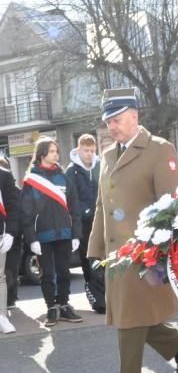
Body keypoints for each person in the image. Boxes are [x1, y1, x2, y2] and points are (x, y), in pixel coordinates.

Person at [88, 88, 178, 373]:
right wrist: (95, 248)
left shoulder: (159, 150)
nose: (113, 127)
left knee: (128, 319)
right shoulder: (108, 156)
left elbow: (171, 207)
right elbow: (101, 206)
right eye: (108, 121)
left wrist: (161, 251)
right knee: (132, 316)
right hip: (116, 253)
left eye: (118, 120)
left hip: (144, 254)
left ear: (135, 116)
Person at [20, 137, 83, 327]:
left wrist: (76, 234)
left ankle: (64, 305)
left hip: (64, 234)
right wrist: (32, 239)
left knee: (64, 272)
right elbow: (26, 213)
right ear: (42, 155)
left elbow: (75, 207)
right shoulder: (31, 181)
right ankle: (51, 308)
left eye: (57, 151)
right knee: (47, 275)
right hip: (43, 237)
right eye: (53, 151)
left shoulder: (63, 178)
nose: (57, 154)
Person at [65, 133, 105, 313]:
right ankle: (96, 296)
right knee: (89, 260)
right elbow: (70, 197)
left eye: (92, 150)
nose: (89, 154)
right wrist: (86, 211)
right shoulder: (71, 171)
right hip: (83, 223)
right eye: (86, 150)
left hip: (103, 220)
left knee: (104, 259)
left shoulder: (100, 166)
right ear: (78, 149)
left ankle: (107, 294)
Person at [0, 157, 19, 333]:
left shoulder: (4, 176)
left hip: (0, 235)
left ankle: (2, 316)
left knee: (0, 278)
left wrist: (10, 233)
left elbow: (13, 207)